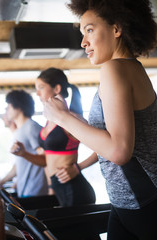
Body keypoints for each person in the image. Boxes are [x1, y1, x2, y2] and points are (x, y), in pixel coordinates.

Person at [40, 0, 157, 239]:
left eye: (90, 30)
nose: (83, 42)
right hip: (131, 205)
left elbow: (118, 151)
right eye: (83, 33)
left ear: (116, 28)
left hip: (154, 208)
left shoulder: (114, 69)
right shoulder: (134, 69)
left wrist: (63, 118)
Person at [10, 68, 96, 207]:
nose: (37, 93)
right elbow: (46, 161)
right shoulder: (49, 121)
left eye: (41, 87)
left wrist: (77, 168)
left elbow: (102, 149)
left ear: (56, 88)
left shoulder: (71, 118)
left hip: (74, 190)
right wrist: (24, 154)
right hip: (59, 189)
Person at [0, 90, 48, 198]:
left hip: (35, 192)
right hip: (24, 190)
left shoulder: (32, 127)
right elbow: (19, 164)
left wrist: (23, 154)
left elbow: (45, 160)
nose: (6, 110)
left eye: (9, 106)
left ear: (19, 107)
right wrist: (1, 181)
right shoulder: (19, 131)